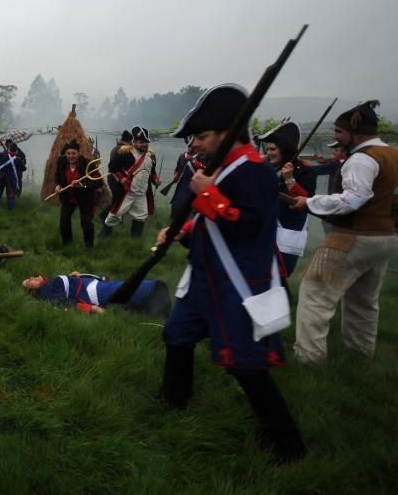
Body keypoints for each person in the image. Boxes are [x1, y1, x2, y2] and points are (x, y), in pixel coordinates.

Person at [158, 83, 306, 463]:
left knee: (246, 364)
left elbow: (249, 225)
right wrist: (184, 230)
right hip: (205, 277)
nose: (196, 145)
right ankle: (173, 403)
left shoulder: (254, 171)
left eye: (203, 136)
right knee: (177, 334)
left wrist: (207, 194)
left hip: (237, 284)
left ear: (226, 132)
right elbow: (215, 224)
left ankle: (287, 447)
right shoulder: (224, 168)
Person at [289, 100, 398, 366]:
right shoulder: (393, 154)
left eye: (339, 132)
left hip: (352, 236)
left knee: (316, 294)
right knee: (364, 302)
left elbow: (352, 199)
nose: (335, 137)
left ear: (356, 132)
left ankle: (309, 360)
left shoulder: (361, 158)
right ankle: (359, 358)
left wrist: (310, 202)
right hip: (386, 237)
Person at [257, 120, 317, 276]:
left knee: (280, 275)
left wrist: (290, 179)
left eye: (273, 149)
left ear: (285, 149)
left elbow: (306, 201)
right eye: (267, 149)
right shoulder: (268, 167)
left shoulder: (305, 171)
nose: (269, 153)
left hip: (289, 230)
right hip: (264, 229)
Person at [22, 272, 170, 317]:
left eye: (31, 276)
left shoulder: (50, 283)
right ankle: (156, 300)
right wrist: (92, 309)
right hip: (92, 292)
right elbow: (65, 304)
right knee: (129, 290)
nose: (33, 277)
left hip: (95, 284)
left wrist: (79, 275)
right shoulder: (45, 292)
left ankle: (154, 308)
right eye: (29, 281)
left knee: (125, 288)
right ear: (33, 291)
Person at [103, 126, 160, 238]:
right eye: (141, 142)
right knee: (115, 214)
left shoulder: (151, 156)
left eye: (146, 142)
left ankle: (135, 240)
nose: (144, 144)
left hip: (142, 193)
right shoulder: (125, 153)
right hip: (127, 191)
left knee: (141, 216)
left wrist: (155, 179)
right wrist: (122, 179)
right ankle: (104, 235)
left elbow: (151, 171)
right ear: (134, 142)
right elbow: (112, 166)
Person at [53, 140, 104, 248]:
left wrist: (82, 184)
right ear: (65, 154)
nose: (71, 156)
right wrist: (58, 185)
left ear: (78, 153)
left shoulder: (88, 164)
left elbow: (99, 182)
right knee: (64, 221)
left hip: (85, 198)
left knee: (86, 223)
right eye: (68, 153)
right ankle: (67, 244)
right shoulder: (61, 162)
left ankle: (89, 245)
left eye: (73, 153)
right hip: (68, 197)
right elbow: (58, 176)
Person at [0, 140, 26, 210]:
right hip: (11, 179)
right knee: (11, 195)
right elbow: (24, 168)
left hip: (1, 178)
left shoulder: (3, 155)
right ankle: (10, 210)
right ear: (16, 151)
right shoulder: (18, 160)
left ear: (9, 149)